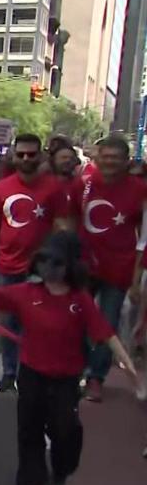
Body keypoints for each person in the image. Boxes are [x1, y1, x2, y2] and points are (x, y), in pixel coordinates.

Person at [0, 231, 137, 485]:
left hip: (66, 378)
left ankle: (62, 468)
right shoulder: (27, 293)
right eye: (43, 261)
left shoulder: (80, 300)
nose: (49, 269)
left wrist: (126, 361)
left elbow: (105, 333)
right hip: (31, 373)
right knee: (29, 429)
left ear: (69, 266)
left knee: (64, 429)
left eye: (56, 263)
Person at [0, 134, 72, 393]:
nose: (25, 159)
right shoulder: (2, 187)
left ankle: (29, 373)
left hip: (40, 270)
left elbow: (62, 226)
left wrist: (59, 263)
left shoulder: (54, 188)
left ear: (40, 155)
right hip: (5, 267)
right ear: (13, 155)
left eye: (31, 154)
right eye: (20, 154)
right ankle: (10, 372)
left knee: (38, 323)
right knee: (8, 323)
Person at [69, 135, 147, 402]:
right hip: (83, 265)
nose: (110, 162)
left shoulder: (139, 190)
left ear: (126, 161)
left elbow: (144, 238)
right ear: (97, 158)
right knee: (74, 317)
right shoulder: (84, 184)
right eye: (106, 157)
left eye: (116, 158)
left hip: (119, 268)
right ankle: (76, 368)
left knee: (106, 323)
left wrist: (136, 278)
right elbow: (69, 220)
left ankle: (95, 377)